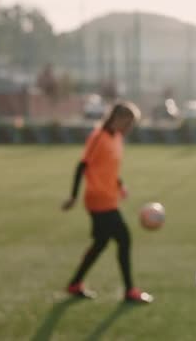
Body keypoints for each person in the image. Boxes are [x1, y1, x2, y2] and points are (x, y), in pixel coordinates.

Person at [62, 101, 153, 303]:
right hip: (98, 199)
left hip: (110, 197)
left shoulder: (117, 138)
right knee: (124, 238)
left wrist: (119, 184)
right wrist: (73, 196)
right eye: (128, 123)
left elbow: (107, 167)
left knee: (101, 243)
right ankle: (130, 291)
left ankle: (74, 283)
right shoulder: (98, 137)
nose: (129, 128)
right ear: (117, 119)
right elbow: (82, 165)